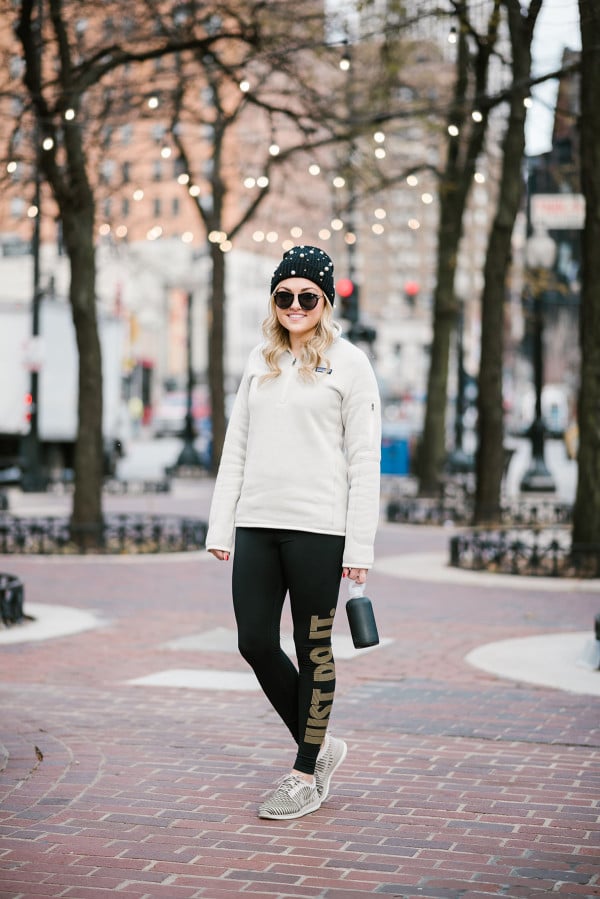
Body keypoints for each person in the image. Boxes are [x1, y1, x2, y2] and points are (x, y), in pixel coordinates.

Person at [206, 245, 381, 820]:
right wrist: (221, 523)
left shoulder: (351, 364)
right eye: (285, 295)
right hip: (257, 523)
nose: (296, 305)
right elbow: (236, 448)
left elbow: (364, 461)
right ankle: (322, 745)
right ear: (274, 300)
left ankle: (305, 773)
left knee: (313, 650)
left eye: (308, 296)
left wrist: (360, 547)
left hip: (319, 530)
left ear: (325, 301)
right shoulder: (261, 360)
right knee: (254, 641)